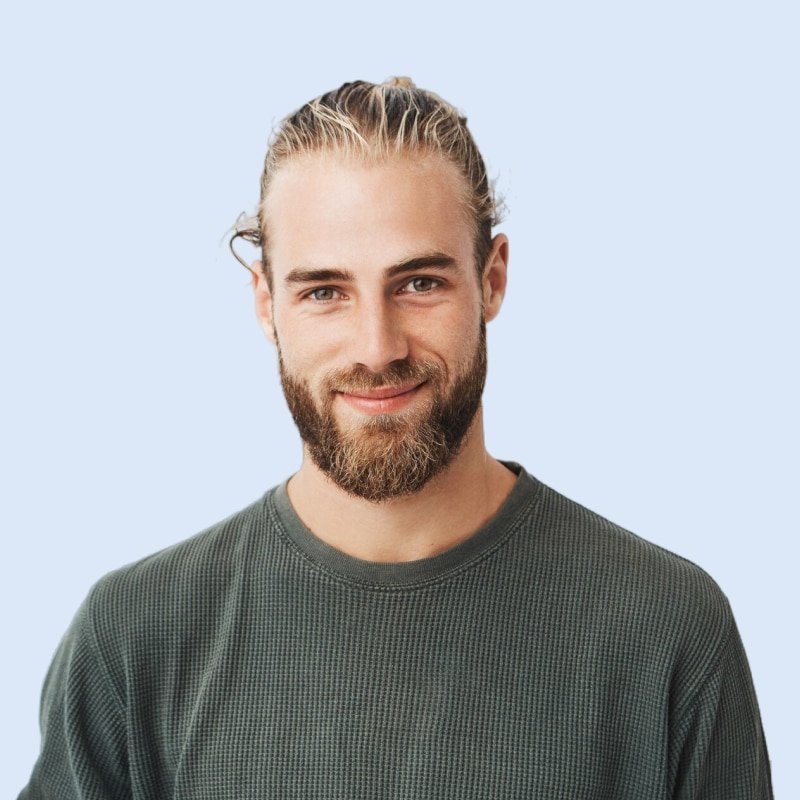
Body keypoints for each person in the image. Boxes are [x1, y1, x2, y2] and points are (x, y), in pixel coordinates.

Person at [20, 78, 772, 799]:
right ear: (265, 302)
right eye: (324, 291)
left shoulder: (665, 628)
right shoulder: (133, 641)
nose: (377, 348)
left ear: (492, 279)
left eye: (419, 283)